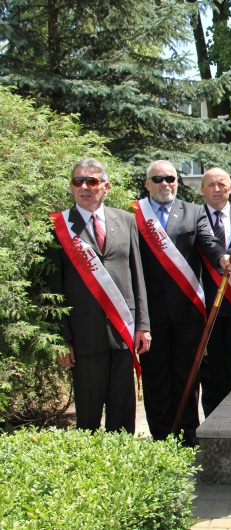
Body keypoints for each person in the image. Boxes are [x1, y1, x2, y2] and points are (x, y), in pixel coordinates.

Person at [46, 158, 151, 433]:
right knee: (89, 414)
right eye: (77, 181)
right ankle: (91, 468)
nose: (84, 187)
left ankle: (121, 465)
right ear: (71, 188)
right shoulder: (58, 227)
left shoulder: (126, 220)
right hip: (84, 334)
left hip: (122, 330)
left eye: (91, 181)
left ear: (106, 187)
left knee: (123, 410)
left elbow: (137, 275)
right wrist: (61, 340)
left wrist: (143, 325)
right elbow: (54, 289)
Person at [133, 160, 231, 445]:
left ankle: (189, 435)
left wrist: (222, 258)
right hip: (151, 316)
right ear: (147, 184)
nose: (165, 184)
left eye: (170, 179)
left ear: (177, 182)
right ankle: (161, 437)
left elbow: (209, 242)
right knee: (156, 378)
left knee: (187, 377)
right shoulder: (135, 215)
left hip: (187, 313)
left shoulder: (193, 212)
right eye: (158, 179)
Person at [198, 167, 231, 417]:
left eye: (222, 184)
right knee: (209, 373)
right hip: (204, 308)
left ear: (230, 188)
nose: (216, 189)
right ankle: (211, 424)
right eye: (211, 185)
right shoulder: (193, 218)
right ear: (202, 190)